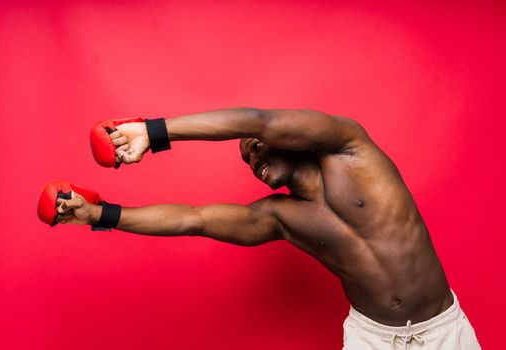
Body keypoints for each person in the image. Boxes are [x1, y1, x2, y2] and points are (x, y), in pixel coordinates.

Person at [55, 108, 480, 349]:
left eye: (254, 147)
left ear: (293, 139)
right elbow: (194, 219)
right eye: (247, 160)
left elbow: (257, 119)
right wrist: (102, 215)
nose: (253, 160)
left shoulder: (350, 148)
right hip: (371, 339)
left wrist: (154, 132)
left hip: (445, 331)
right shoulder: (281, 218)